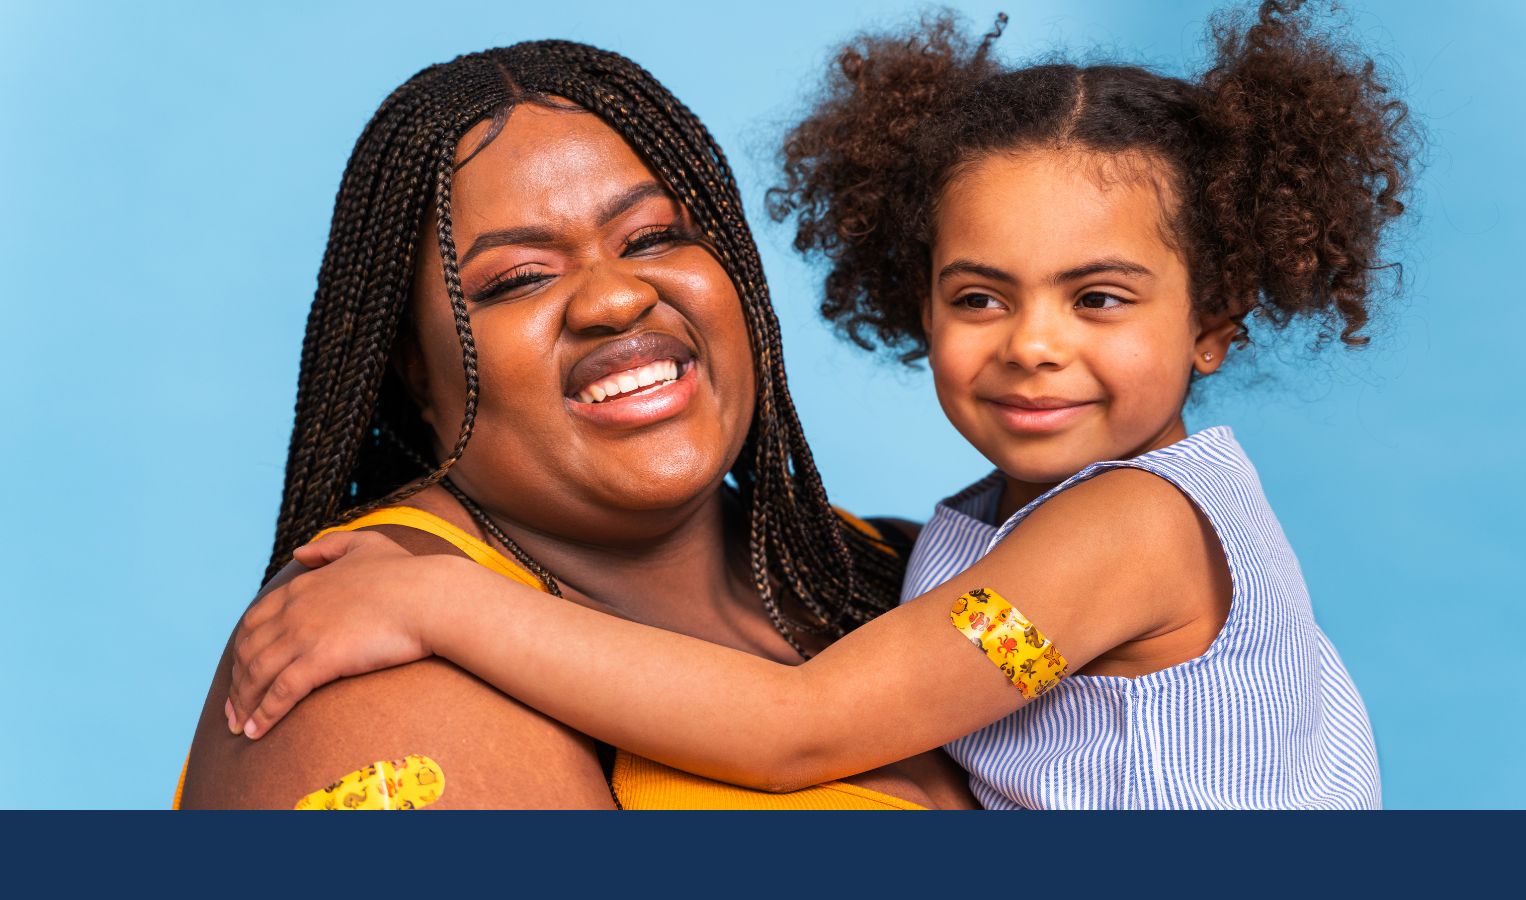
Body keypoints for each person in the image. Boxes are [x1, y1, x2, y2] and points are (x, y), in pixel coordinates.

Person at [227, 0, 1413, 808]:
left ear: (1214, 321)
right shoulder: (961, 545)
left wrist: (451, 609)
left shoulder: (1123, 533)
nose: (1036, 347)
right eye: (981, 297)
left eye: (1100, 298)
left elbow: (804, 725)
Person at [177, 38, 977, 810]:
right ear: (415, 370)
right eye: (518, 279)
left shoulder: (917, 568)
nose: (616, 298)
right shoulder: (361, 646)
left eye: (656, 236)